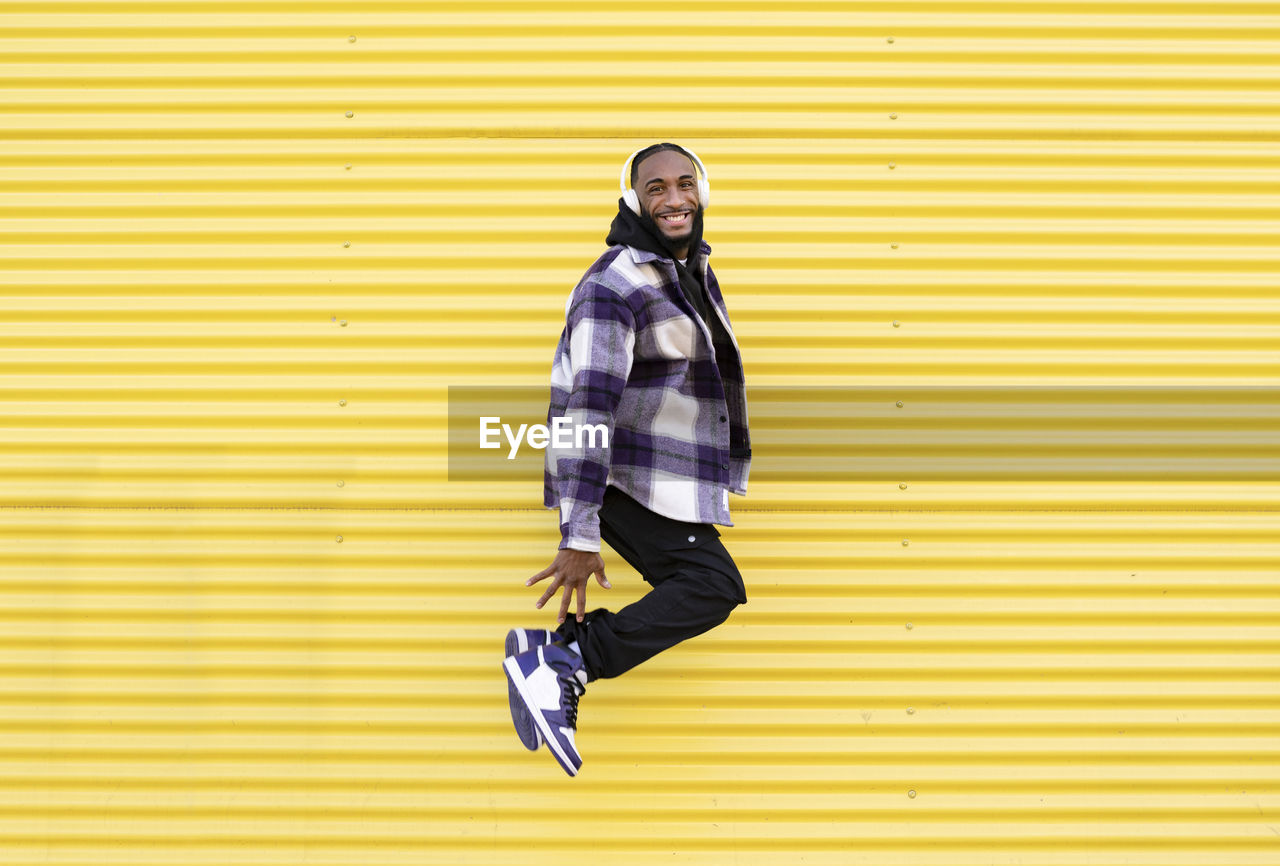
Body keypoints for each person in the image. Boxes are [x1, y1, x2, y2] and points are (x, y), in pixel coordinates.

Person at [501, 143, 752, 777]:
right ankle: (562, 657)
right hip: (619, 477)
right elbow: (586, 408)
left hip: (659, 478)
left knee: (709, 586)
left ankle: (563, 658)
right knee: (711, 585)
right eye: (656, 188)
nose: (674, 199)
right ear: (632, 196)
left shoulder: (686, 269)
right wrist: (579, 531)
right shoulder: (614, 285)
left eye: (685, 183)